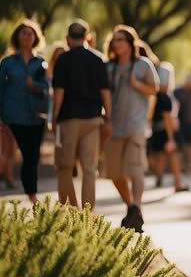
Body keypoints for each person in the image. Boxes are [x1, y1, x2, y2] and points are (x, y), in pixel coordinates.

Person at [51, 19, 111, 210]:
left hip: (68, 119)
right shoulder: (98, 59)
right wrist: (107, 116)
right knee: (90, 169)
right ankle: (87, 215)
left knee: (65, 167)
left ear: (68, 39)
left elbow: (59, 93)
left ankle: (71, 212)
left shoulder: (62, 60)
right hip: (93, 119)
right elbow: (105, 92)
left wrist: (54, 117)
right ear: (87, 37)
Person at [104, 25, 159, 232]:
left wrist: (136, 84)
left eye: (121, 40)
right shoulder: (108, 67)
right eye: (115, 40)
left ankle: (136, 206)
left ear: (130, 43)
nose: (117, 43)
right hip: (113, 126)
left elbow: (154, 89)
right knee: (115, 173)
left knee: (135, 169)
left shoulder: (143, 65)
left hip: (136, 125)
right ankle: (131, 207)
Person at [0, 19, 50, 204]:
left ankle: (31, 193)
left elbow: (46, 88)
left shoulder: (41, 63)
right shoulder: (7, 63)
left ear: (35, 37)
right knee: (17, 153)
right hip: (13, 116)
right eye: (23, 33)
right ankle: (29, 191)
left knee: (33, 155)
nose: (27, 36)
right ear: (17, 37)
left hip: (36, 117)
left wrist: (35, 86)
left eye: (30, 33)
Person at [148, 61, 189, 192]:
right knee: (174, 155)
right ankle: (177, 183)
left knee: (159, 155)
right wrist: (171, 138)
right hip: (166, 129)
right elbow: (167, 118)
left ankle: (159, 177)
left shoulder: (152, 95)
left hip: (155, 129)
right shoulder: (165, 97)